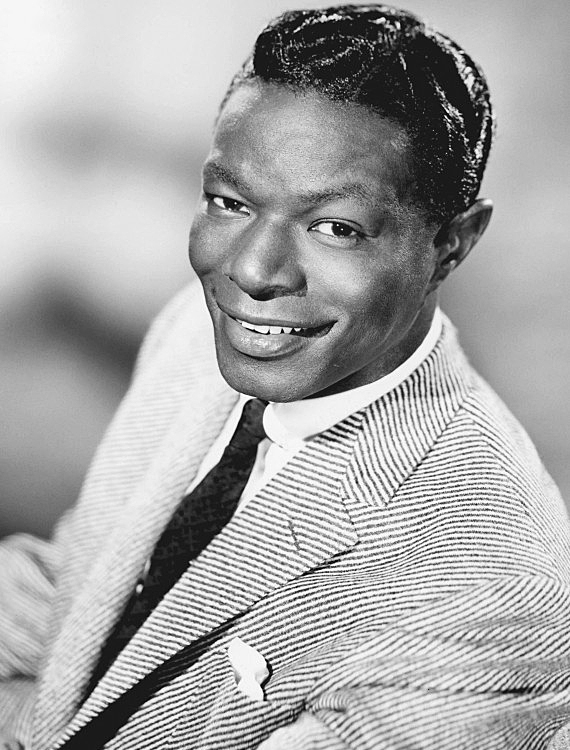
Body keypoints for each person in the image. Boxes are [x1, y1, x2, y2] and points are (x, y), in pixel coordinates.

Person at [1, 5, 570, 749]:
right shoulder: (197, 333)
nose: (252, 270)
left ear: (452, 245)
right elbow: (83, 592)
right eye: (229, 203)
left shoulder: (492, 586)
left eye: (336, 228)